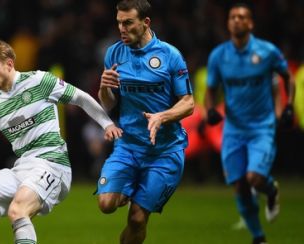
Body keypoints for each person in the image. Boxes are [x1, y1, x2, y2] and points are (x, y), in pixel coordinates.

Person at [0, 39, 123, 243]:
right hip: (24, 166)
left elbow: (81, 98)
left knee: (17, 210)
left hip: (53, 164)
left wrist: (107, 124)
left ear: (9, 64)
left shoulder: (39, 81)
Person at [96, 0, 195, 243]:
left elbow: (189, 102)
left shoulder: (169, 55)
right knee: (106, 204)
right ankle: (129, 187)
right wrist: (104, 88)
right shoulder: (114, 53)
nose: (122, 28)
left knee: (137, 219)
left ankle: (136, 191)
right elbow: (107, 104)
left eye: (128, 22)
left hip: (164, 150)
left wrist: (162, 116)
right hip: (128, 146)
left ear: (145, 22)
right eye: (119, 22)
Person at [204, 3, 295, 244]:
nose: (237, 20)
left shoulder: (267, 52)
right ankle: (259, 238)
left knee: (254, 178)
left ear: (251, 23)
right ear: (228, 23)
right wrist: (211, 109)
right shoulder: (219, 56)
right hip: (233, 129)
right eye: (233, 17)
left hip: (261, 128)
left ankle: (271, 190)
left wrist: (288, 106)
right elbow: (211, 90)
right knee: (239, 186)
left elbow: (288, 78)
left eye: (242, 17)